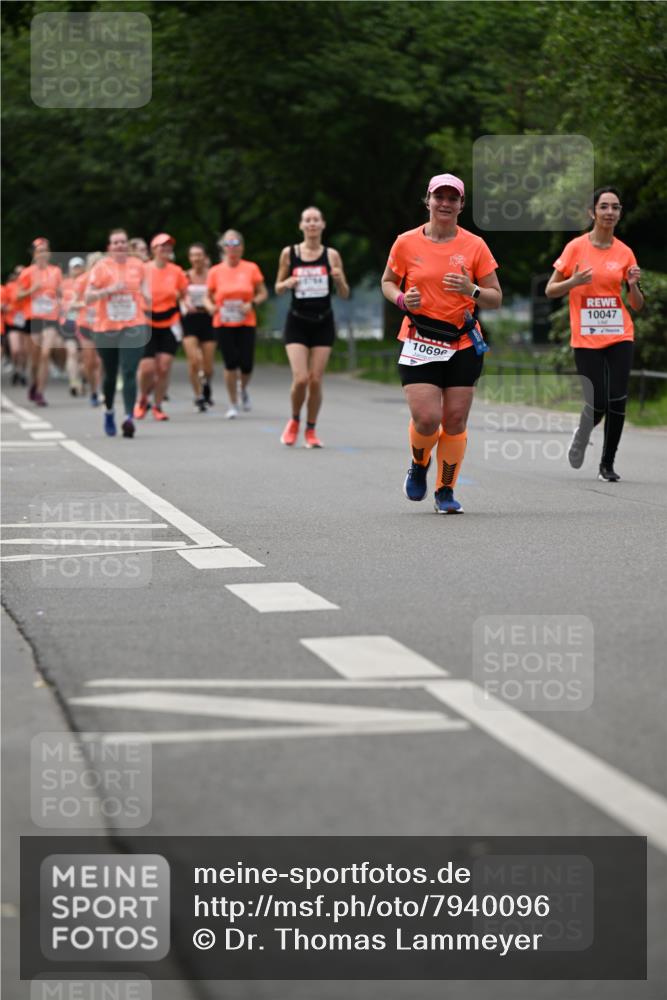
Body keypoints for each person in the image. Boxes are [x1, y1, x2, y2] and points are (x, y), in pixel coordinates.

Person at [381, 173, 502, 513]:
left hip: (462, 342)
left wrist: (471, 290)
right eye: (439, 197)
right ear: (428, 200)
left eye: (453, 198)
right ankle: (419, 463)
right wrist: (402, 299)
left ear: (461, 205)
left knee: (455, 420)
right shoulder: (406, 242)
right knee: (426, 418)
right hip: (419, 338)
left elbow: (495, 297)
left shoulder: (475, 246)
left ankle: (445, 490)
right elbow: (387, 282)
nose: (445, 203)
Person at [546, 186, 644, 482]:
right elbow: (551, 290)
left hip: (619, 332)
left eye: (615, 207)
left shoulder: (625, 252)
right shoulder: (576, 248)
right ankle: (583, 433)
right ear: (592, 212)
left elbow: (636, 305)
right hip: (586, 335)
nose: (610, 212)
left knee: (618, 398)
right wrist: (573, 281)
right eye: (604, 206)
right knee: (598, 400)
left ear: (620, 213)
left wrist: (633, 285)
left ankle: (607, 464)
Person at [275, 206, 349, 447]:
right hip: (296, 321)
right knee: (301, 379)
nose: (312, 224)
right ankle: (295, 419)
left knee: (315, 379)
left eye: (316, 219)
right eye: (307, 220)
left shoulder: (332, 255)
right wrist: (287, 282)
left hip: (323, 322)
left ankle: (311, 429)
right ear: (301, 225)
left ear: (323, 224)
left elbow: (344, 293)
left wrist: (339, 280)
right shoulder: (289, 253)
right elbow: (277, 287)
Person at [85, 228, 150, 438]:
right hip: (106, 327)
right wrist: (109, 290)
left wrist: (148, 298)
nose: (120, 245)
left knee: (129, 370)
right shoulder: (101, 267)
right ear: (109, 247)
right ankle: (109, 411)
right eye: (115, 242)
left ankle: (129, 417)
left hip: (134, 325)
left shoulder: (138, 265)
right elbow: (88, 297)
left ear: (127, 245)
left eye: (123, 242)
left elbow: (147, 292)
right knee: (110, 373)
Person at [205, 230, 268, 419]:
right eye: (228, 244)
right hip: (223, 321)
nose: (232, 248)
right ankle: (232, 403)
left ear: (242, 247)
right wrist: (210, 307)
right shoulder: (215, 271)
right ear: (223, 248)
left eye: (236, 244)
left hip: (246, 320)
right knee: (230, 362)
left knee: (247, 364)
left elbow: (263, 292)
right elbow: (207, 297)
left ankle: (242, 388)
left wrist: (252, 303)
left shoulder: (251, 268)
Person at [134, 233, 188, 421]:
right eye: (162, 246)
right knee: (147, 368)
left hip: (169, 322)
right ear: (153, 249)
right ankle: (142, 399)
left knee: (164, 367)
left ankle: (157, 405)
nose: (166, 250)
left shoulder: (177, 271)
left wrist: (186, 303)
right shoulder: (143, 269)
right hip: (146, 322)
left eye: (169, 246)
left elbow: (184, 294)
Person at [15, 238, 63, 406]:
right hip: (33, 318)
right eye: (39, 251)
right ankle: (34, 384)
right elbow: (18, 295)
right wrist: (32, 289)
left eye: (45, 250)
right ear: (34, 254)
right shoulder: (27, 272)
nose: (43, 254)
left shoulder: (56, 271)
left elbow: (60, 293)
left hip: (50, 318)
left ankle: (41, 392)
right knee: (34, 359)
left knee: (45, 353)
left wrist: (61, 300)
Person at [182, 242, 215, 412]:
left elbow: (220, 293)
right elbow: (178, 294)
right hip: (190, 319)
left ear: (205, 257)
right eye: (193, 255)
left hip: (208, 319)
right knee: (194, 361)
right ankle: (198, 396)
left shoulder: (213, 275)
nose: (196, 258)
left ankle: (206, 384)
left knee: (208, 366)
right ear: (189, 258)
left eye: (199, 255)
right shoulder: (184, 276)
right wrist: (185, 303)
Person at [73, 252, 103, 406]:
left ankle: (100, 391)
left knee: (100, 360)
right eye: (95, 264)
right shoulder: (81, 280)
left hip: (103, 325)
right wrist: (86, 303)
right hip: (85, 325)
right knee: (89, 362)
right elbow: (72, 304)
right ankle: (93, 390)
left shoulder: (108, 280)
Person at [60, 257, 85, 396]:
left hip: (84, 323)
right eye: (74, 267)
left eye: (79, 267)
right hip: (68, 323)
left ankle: (81, 379)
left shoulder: (88, 282)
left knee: (83, 357)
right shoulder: (64, 284)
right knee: (72, 353)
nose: (77, 270)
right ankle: (74, 383)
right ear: (70, 270)